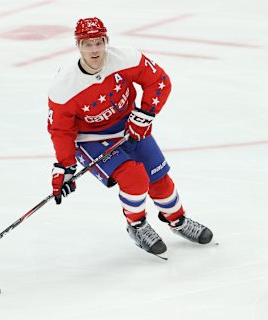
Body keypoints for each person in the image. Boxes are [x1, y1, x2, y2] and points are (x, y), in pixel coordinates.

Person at [47, 17, 213, 258]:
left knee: (160, 179)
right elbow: (61, 130)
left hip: (129, 127)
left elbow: (159, 80)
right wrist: (65, 165)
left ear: (106, 41)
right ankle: (137, 226)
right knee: (134, 177)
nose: (94, 49)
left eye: (98, 42)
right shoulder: (65, 86)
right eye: (87, 44)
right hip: (91, 139)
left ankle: (177, 220)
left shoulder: (126, 58)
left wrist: (144, 114)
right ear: (78, 45)